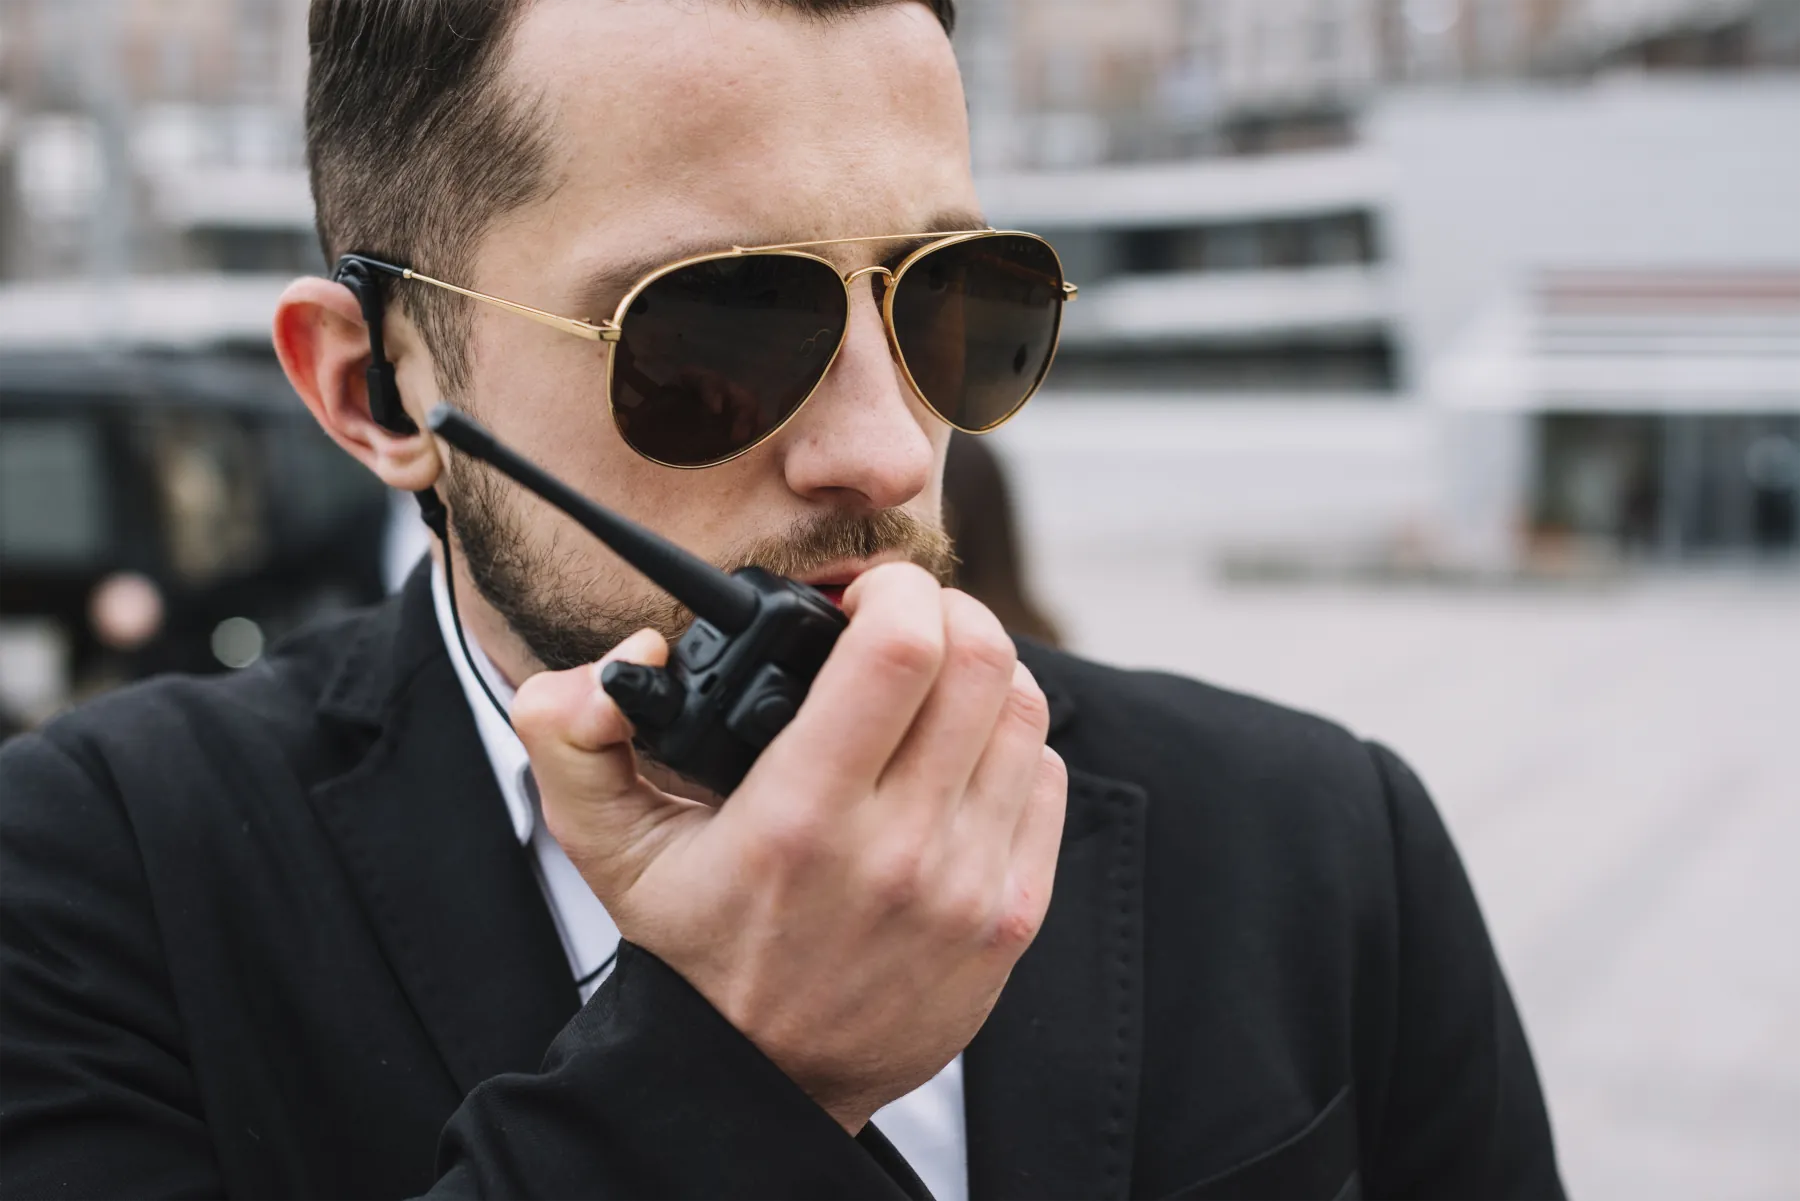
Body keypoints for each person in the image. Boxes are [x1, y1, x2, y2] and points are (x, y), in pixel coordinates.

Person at [0, 2, 1565, 1199]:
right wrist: (734, 1068)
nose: (887, 447)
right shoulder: (91, 882)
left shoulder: (1321, 840)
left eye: (959, 303)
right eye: (717, 333)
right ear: (374, 391)